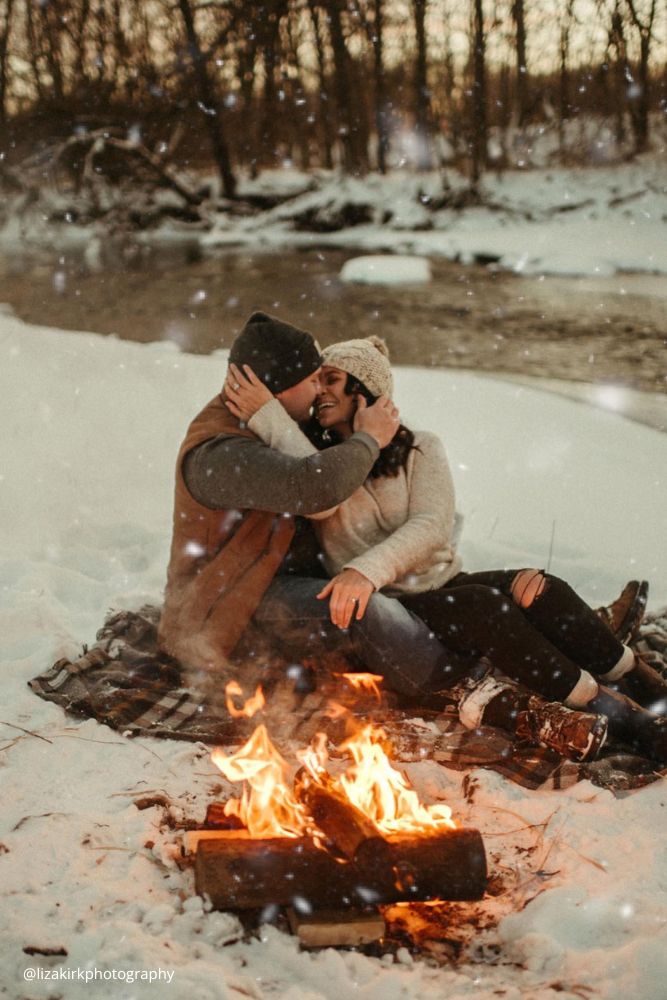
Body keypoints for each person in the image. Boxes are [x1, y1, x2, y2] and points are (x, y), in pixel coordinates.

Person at [224, 335, 667, 763]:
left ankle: (638, 679)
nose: (320, 390)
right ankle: (618, 713)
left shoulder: (421, 447)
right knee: (484, 608)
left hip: (442, 583)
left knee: (537, 587)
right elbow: (321, 498)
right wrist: (266, 413)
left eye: (333, 379)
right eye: (317, 380)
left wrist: (365, 569)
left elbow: (432, 527)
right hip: (398, 608)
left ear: (366, 390)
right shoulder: (319, 462)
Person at [158, 311, 469, 703]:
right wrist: (370, 438)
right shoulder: (221, 452)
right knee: (359, 608)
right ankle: (450, 684)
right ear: (280, 388)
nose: (320, 391)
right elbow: (315, 490)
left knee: (379, 600)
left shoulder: (274, 419)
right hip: (231, 604)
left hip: (274, 581)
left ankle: (455, 650)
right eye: (312, 380)